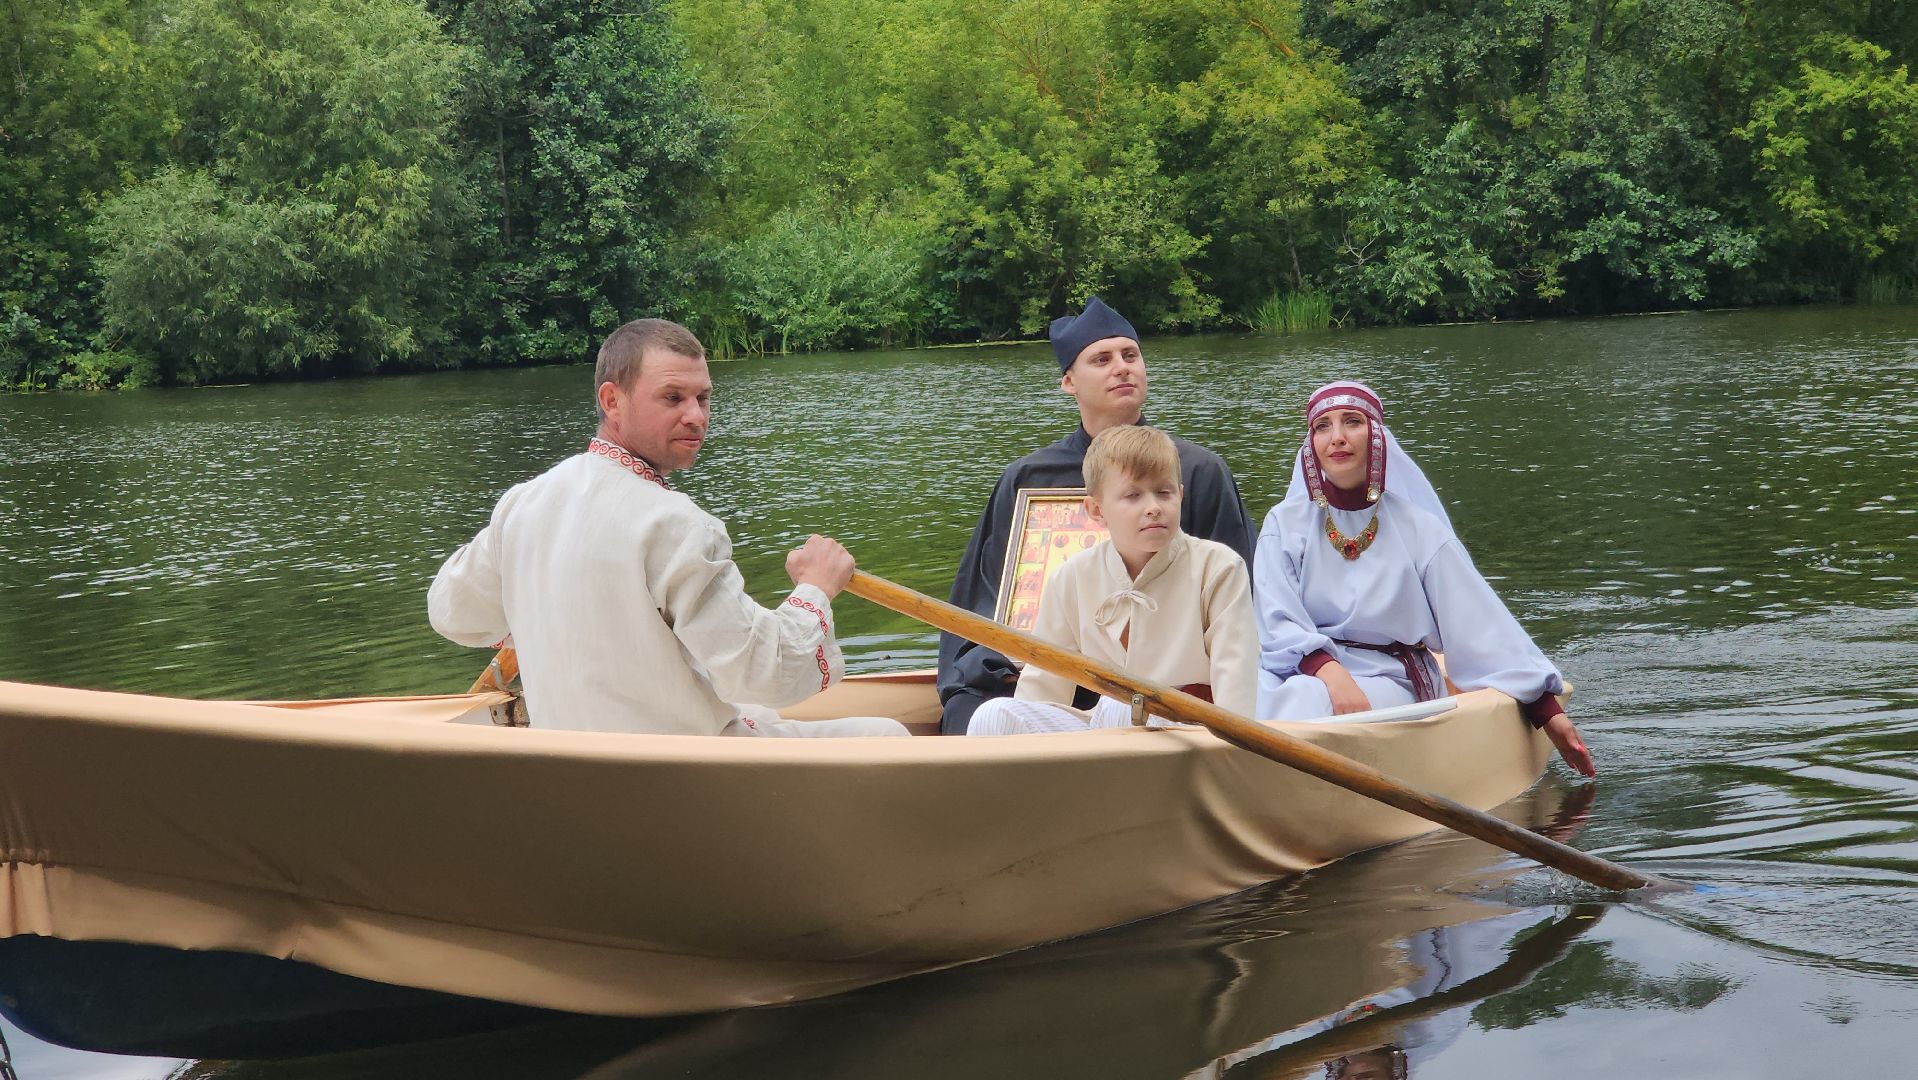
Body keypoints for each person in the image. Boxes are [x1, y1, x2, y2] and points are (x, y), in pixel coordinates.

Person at [427, 318, 907, 737]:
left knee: (755, 709)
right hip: (683, 773)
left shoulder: (522, 503)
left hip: (572, 761)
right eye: (673, 398)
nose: (696, 416)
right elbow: (764, 672)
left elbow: (453, 613)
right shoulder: (677, 524)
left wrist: (540, 609)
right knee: (888, 734)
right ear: (612, 401)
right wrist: (815, 590)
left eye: (703, 397)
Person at [938, 296, 1256, 734]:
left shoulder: (1199, 470)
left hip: (1170, 690)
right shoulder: (1028, 477)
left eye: (1130, 355)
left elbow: (1239, 610)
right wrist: (1001, 665)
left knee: (1128, 709)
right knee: (978, 715)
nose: (1122, 367)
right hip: (1037, 672)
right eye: (1102, 359)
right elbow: (987, 598)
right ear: (1069, 381)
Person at [1253, 380, 1595, 776]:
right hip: (1303, 669)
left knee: (1304, 701)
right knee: (1269, 695)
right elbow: (1276, 619)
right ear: (1310, 444)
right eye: (1322, 426)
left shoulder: (1419, 528)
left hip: (1390, 675)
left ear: (1377, 437)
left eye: (1352, 422)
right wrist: (1330, 671)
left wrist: (1544, 709)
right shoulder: (1284, 523)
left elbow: (1477, 624)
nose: (1338, 438)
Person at [967, 425, 1256, 734]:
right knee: (994, 715)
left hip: (1194, 733)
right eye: (1133, 496)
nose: (1154, 508)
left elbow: (1235, 684)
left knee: (1126, 706)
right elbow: (1042, 689)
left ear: (1181, 496)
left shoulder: (1219, 567)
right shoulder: (1072, 577)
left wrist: (1236, 748)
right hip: (1109, 728)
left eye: (1164, 492)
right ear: (1096, 509)